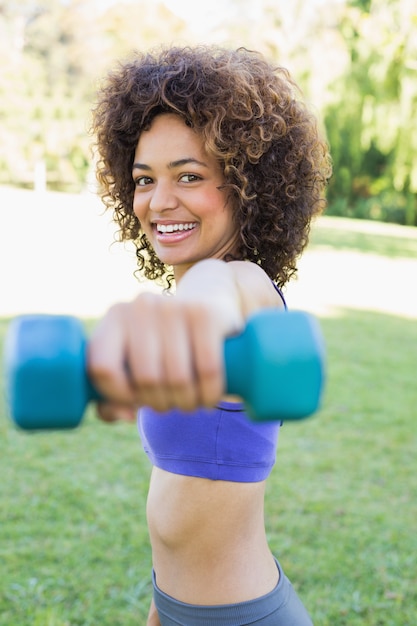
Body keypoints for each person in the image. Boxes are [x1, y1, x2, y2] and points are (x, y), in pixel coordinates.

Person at [88, 45, 332, 626]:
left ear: (247, 186)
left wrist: (177, 328)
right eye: (144, 179)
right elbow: (179, 507)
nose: (159, 201)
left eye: (190, 176)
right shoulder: (197, 288)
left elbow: (210, 306)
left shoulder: (239, 284)